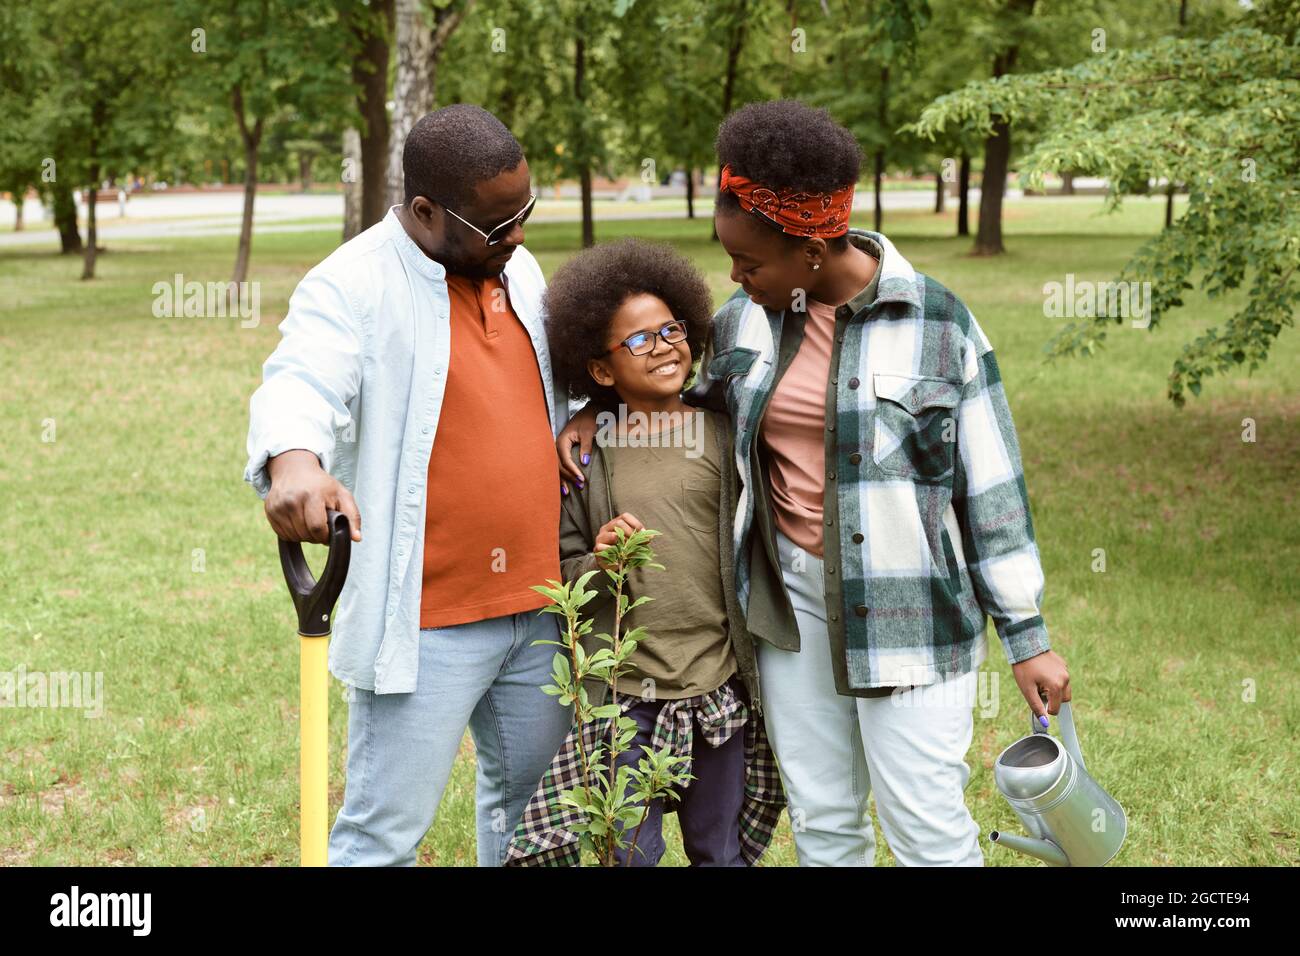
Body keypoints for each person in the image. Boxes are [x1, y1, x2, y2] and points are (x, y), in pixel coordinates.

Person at [557, 100, 1071, 866]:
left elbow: (992, 490)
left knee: (926, 829)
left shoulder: (938, 323)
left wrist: (1027, 638)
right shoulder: (743, 325)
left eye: (750, 262)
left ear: (813, 250)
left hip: (910, 619)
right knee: (825, 823)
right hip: (791, 612)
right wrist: (595, 410)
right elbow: (681, 403)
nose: (733, 277)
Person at [243, 104, 572, 867]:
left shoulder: (515, 268)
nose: (519, 236)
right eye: (499, 224)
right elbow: (301, 379)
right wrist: (295, 461)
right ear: (425, 211)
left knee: (534, 824)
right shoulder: (350, 284)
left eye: (526, 214)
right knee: (382, 837)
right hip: (428, 620)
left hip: (542, 605)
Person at [506, 238, 784, 867]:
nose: (662, 346)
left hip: (717, 687)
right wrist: (598, 563)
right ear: (601, 372)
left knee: (721, 847)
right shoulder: (588, 458)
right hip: (626, 698)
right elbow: (561, 567)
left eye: (671, 329)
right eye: (638, 341)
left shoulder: (724, 433)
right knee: (629, 852)